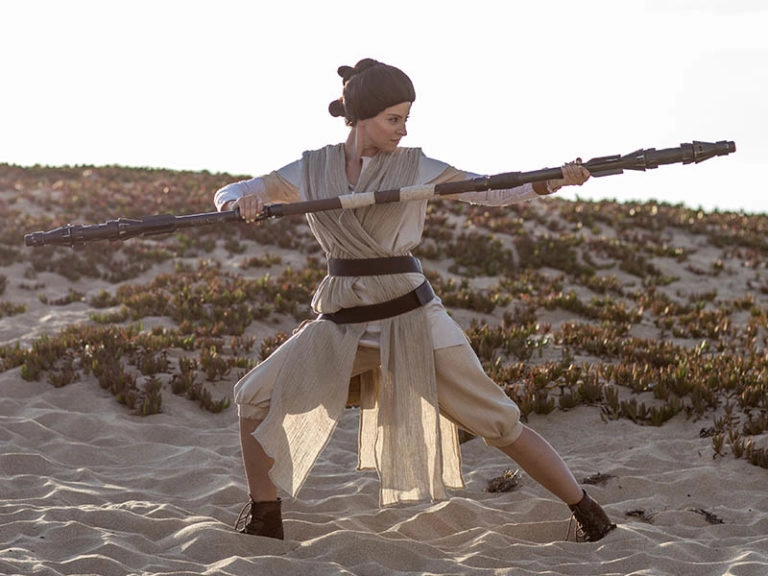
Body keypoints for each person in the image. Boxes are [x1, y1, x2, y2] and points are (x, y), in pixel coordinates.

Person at [214, 58, 616, 542]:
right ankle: (265, 518)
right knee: (253, 396)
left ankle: (588, 512)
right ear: (361, 116)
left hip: (413, 316)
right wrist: (239, 203)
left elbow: (489, 191)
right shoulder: (311, 168)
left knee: (499, 423)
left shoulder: (416, 167)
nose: (403, 130)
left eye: (406, 118)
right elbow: (232, 190)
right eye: (393, 119)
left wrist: (554, 180)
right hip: (342, 320)